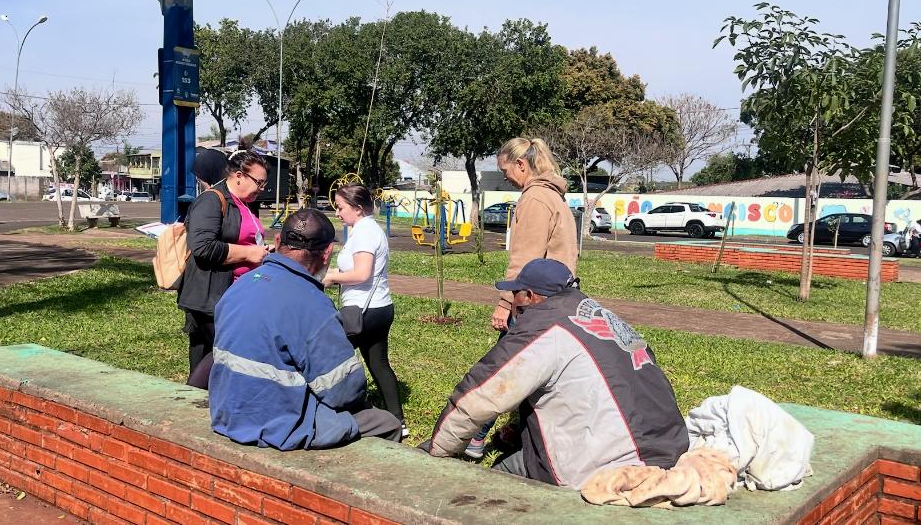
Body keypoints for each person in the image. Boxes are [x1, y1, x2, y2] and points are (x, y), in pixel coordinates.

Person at [424, 258, 689, 489]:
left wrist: (434, 452)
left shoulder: (542, 326)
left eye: (515, 294)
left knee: (491, 486)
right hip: (670, 451)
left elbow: (481, 396)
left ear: (529, 296)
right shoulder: (604, 317)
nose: (513, 302)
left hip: (609, 469)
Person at [208, 209, 402, 449]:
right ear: (327, 252)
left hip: (226, 412)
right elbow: (345, 392)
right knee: (387, 423)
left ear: (277, 240)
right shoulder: (313, 305)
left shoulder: (242, 284)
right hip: (277, 425)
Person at [467, 137, 579, 458]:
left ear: (521, 164)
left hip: (532, 301)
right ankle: (524, 436)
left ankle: (474, 439)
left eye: (505, 170)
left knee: (503, 370)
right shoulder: (555, 196)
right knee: (541, 374)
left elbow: (525, 260)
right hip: (559, 298)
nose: (505, 178)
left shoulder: (535, 199)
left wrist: (506, 303)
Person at [178, 149, 271, 385]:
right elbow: (203, 247)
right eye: (259, 182)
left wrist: (262, 251)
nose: (262, 188)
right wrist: (249, 253)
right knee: (220, 355)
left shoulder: (245, 203)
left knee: (222, 356)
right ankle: (191, 398)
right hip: (213, 299)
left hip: (238, 296)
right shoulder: (211, 200)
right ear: (239, 176)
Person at [322, 184, 405, 437]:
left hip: (362, 313)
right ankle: (397, 420)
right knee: (378, 363)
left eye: (340, 207)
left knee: (332, 358)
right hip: (379, 308)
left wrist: (331, 277)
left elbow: (361, 273)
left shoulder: (364, 233)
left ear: (358, 208)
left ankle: (334, 408)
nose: (337, 213)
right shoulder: (368, 229)